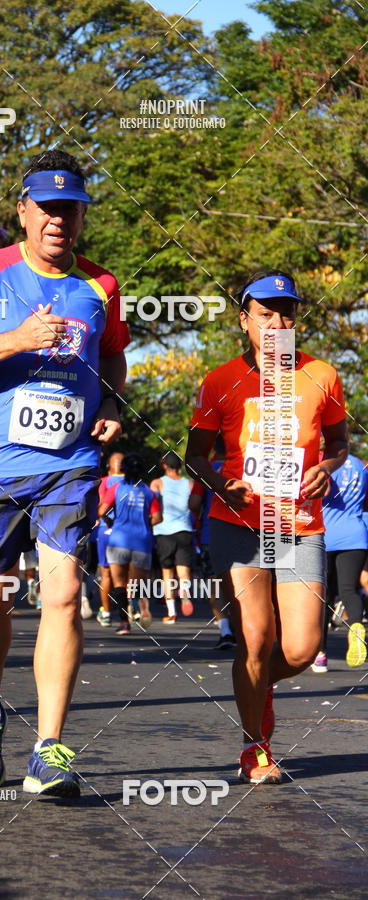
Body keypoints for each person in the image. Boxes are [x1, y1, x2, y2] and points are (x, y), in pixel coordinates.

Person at [0, 148, 129, 797]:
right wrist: (18, 339)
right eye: (47, 209)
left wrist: (108, 404)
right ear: (23, 211)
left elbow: (115, 360)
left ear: (81, 216)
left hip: (68, 466)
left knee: (65, 593)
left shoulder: (102, 286)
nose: (58, 221)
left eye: (70, 210)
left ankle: (50, 749)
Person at [185, 269, 348, 785]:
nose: (278, 322)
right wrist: (219, 484)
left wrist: (328, 466)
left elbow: (340, 444)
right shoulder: (219, 380)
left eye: (287, 313)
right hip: (239, 523)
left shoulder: (322, 375)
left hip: (298, 523)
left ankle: (255, 686)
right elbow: (195, 456)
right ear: (245, 321)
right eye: (265, 313)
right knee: (255, 639)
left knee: (300, 648)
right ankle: (255, 747)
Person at [312, 452, 368, 672]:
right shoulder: (359, 465)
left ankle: (320, 654)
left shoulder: (322, 463)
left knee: (323, 595)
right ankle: (355, 626)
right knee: (349, 590)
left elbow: (316, 492)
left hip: (325, 534)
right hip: (356, 535)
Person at [98, 454, 162, 634]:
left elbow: (102, 510)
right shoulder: (148, 492)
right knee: (135, 584)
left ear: (123, 469)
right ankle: (140, 600)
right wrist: (144, 523)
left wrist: (110, 522)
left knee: (119, 584)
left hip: (119, 539)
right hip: (142, 541)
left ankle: (124, 623)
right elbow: (158, 517)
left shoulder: (116, 488)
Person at [188, 436, 235, 649]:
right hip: (243, 535)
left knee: (215, 585)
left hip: (211, 534)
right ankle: (244, 631)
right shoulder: (241, 469)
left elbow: (194, 503)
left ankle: (226, 631)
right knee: (242, 585)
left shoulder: (206, 471)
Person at [150, 451, 195, 622]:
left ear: (164, 465)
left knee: (167, 573)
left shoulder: (157, 483)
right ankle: (185, 593)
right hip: (184, 530)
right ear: (180, 466)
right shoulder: (189, 484)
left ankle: (171, 612)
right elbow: (194, 505)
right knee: (183, 570)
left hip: (164, 531)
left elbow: (151, 502)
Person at [95, 452, 124, 627]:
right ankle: (130, 610)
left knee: (105, 574)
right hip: (128, 533)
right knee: (125, 574)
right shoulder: (134, 482)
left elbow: (100, 506)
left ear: (109, 465)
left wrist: (108, 521)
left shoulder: (104, 481)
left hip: (106, 530)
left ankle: (106, 613)